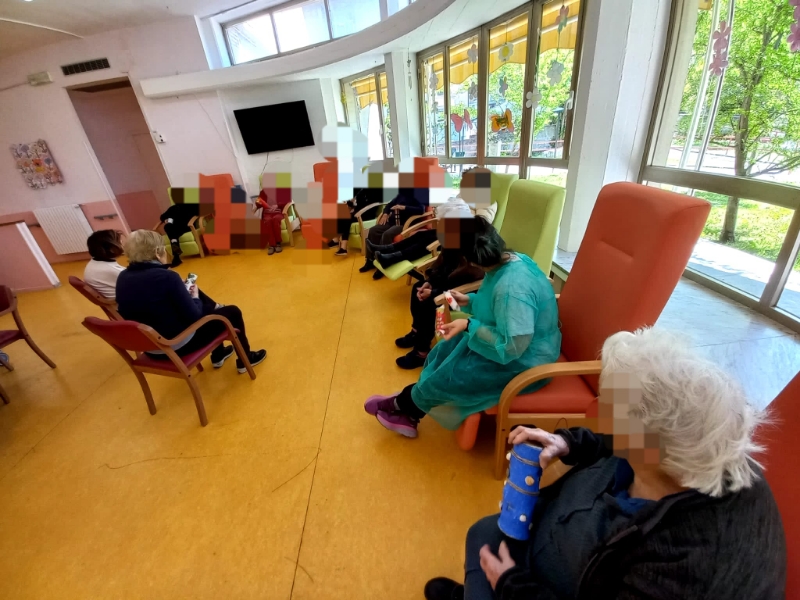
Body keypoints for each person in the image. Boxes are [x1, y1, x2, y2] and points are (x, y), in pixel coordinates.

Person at [423, 327, 786, 600]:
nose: (598, 413)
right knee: (484, 534)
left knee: (486, 544)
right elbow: (619, 440)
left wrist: (510, 585)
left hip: (551, 585)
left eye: (608, 405)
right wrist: (568, 442)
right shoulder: (691, 446)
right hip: (563, 542)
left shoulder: (688, 570)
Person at [364, 219, 560, 437]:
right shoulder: (512, 261)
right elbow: (496, 307)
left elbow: (512, 346)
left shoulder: (511, 288)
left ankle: (405, 406)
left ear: (469, 260)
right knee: (444, 351)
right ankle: (410, 400)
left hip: (526, 363)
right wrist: (467, 300)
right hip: (509, 343)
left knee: (452, 375)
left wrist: (468, 324)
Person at [116, 230, 266, 373]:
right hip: (176, 345)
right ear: (156, 252)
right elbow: (195, 317)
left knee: (196, 296)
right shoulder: (168, 277)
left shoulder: (122, 278)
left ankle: (218, 354)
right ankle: (245, 359)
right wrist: (193, 297)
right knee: (232, 312)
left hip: (151, 348)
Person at [360, 188, 427, 279]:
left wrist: (404, 207)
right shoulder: (401, 193)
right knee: (373, 230)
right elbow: (389, 205)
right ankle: (370, 260)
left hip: (405, 224)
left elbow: (421, 209)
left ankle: (382, 265)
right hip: (393, 221)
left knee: (387, 234)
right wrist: (385, 213)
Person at [328, 187, 382, 257]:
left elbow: (374, 202)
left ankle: (343, 247)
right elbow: (355, 201)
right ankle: (337, 240)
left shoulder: (376, 189)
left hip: (367, 213)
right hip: (357, 211)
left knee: (346, 217)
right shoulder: (360, 189)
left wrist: (354, 206)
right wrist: (348, 203)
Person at [158, 203, 206, 267]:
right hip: (176, 228)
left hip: (187, 226)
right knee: (168, 227)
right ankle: (176, 253)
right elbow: (162, 217)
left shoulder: (193, 205)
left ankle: (176, 255)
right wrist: (168, 220)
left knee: (170, 229)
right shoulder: (174, 208)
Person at [84, 229, 126, 298]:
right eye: (119, 242)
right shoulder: (113, 270)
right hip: (127, 301)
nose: (122, 243)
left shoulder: (94, 262)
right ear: (111, 249)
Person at [253, 188, 290, 255]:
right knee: (268, 221)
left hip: (278, 212)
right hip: (267, 213)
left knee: (275, 220)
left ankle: (278, 243)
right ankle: (272, 245)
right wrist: (257, 202)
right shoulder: (263, 192)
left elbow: (287, 200)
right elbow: (258, 204)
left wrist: (277, 205)